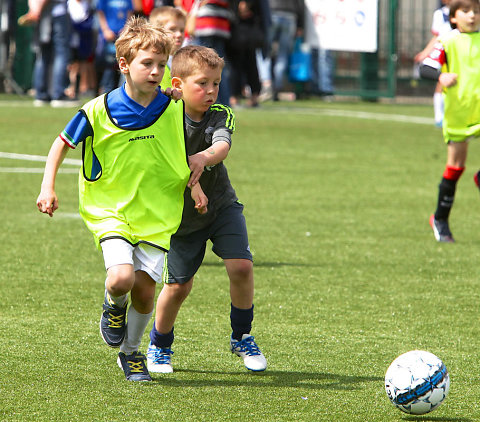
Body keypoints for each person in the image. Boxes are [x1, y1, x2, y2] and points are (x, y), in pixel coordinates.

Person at [36, 17, 207, 382]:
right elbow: (60, 145)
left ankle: (131, 353)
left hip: (158, 214)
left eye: (162, 65)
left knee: (145, 293)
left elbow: (189, 139)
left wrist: (194, 182)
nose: (156, 72)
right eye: (148, 63)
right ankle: (113, 307)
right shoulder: (97, 110)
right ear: (124, 65)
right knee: (120, 279)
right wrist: (47, 187)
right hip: (109, 209)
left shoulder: (172, 106)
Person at [147, 45, 267, 373]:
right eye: (202, 83)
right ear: (179, 84)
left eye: (216, 82)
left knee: (241, 267)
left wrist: (203, 158)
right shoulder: (164, 114)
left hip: (221, 206)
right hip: (181, 218)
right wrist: (192, 180)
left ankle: (242, 336)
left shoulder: (220, 114)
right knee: (178, 287)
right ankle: (160, 344)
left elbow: (221, 146)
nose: (211, 90)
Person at [420, 0, 480, 242]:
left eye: (476, 11)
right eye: (466, 11)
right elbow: (425, 68)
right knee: (455, 166)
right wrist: (441, 75)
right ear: (453, 17)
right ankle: (441, 218)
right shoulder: (448, 41)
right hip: (459, 111)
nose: (472, 16)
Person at [18, 0, 79, 107]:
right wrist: (36, 11)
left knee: (43, 55)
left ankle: (41, 94)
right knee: (61, 54)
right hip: (56, 14)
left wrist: (33, 10)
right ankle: (58, 94)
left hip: (43, 15)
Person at [257, 0, 304, 101]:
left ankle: (267, 84)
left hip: (272, 13)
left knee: (264, 51)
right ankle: (277, 87)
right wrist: (301, 25)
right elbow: (300, 3)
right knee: (283, 55)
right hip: (290, 15)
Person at [415, 0, 452, 127]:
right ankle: (439, 116)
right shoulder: (440, 15)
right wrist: (425, 52)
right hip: (446, 54)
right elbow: (437, 38)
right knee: (441, 84)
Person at [228, 0, 266, 108]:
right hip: (243, 26)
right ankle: (241, 96)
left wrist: (247, 4)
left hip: (243, 27)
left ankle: (237, 96)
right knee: (245, 64)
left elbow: (243, 7)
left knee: (244, 64)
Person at [95, 0, 133, 94]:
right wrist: (105, 30)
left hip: (122, 36)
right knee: (109, 65)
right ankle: (106, 90)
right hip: (108, 37)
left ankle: (122, 90)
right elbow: (100, 13)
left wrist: (126, 29)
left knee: (123, 63)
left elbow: (130, 14)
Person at [149, 6, 187, 89]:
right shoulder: (148, 61)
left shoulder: (185, 61)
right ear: (157, 31)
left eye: (182, 30)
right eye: (172, 29)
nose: (179, 34)